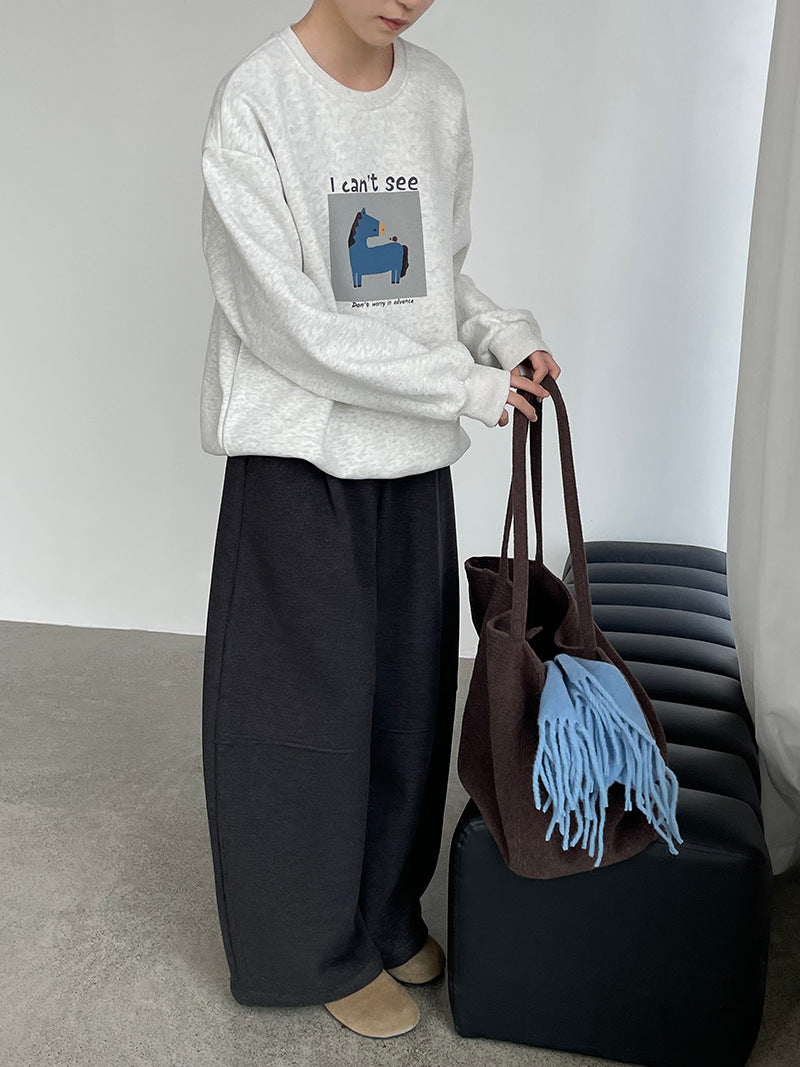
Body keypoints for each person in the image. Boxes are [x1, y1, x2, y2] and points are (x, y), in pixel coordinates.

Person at [198, 0, 561, 1041]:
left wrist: (500, 336)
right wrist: (462, 387)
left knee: (407, 701)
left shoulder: (434, 96)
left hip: (410, 461)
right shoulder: (259, 100)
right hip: (298, 455)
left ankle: (383, 911)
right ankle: (305, 945)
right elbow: (287, 323)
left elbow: (428, 279)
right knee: (296, 717)